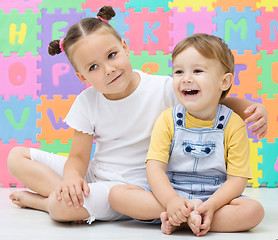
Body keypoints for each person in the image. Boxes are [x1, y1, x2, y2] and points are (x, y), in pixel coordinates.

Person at [7, 6, 267, 225]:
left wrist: (251, 109)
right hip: (96, 173)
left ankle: (47, 202)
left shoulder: (163, 87)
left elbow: (210, 100)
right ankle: (60, 197)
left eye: (112, 55)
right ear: (82, 77)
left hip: (136, 188)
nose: (108, 69)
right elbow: (77, 157)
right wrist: (73, 178)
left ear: (125, 47)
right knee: (17, 156)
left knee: (60, 206)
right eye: (94, 67)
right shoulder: (87, 101)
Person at [109, 33, 265, 236]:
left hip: (215, 198)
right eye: (179, 71)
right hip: (170, 193)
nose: (186, 79)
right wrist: (172, 201)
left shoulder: (233, 124)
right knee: (117, 195)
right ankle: (186, 217)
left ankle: (183, 219)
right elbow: (155, 168)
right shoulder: (167, 120)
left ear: (224, 82)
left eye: (198, 71)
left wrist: (212, 205)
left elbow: (237, 180)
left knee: (253, 211)